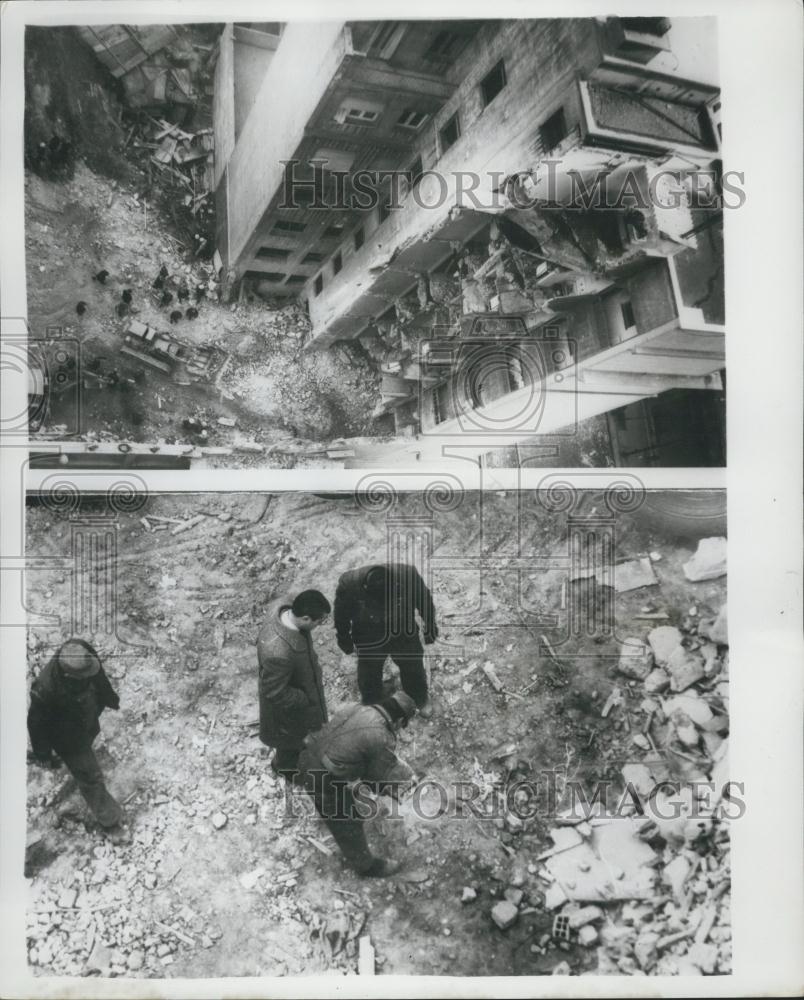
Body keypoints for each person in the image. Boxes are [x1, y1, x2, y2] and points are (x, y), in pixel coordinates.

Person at [297, 692, 417, 877]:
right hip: (322, 779)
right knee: (348, 823)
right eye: (402, 725)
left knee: (339, 801)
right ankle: (365, 866)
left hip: (305, 755)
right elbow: (376, 776)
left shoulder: (355, 707)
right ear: (399, 720)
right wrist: (392, 788)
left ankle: (325, 806)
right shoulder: (381, 736)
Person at [27, 638, 125, 835]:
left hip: (84, 716)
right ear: (68, 675)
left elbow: (97, 674)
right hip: (68, 738)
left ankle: (57, 757)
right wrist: (43, 754)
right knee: (90, 776)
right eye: (83, 676)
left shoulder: (79, 650)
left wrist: (109, 696)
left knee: (90, 737)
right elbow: (36, 724)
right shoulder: (45, 690)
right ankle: (110, 823)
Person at [334, 563, 438, 717]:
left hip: (403, 631)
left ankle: (419, 698)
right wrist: (345, 641)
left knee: (413, 666)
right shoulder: (349, 585)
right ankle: (373, 705)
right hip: (369, 636)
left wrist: (430, 627)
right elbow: (341, 616)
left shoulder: (407, 575)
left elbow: (425, 601)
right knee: (369, 674)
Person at [257, 589, 331, 782]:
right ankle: (284, 770)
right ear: (305, 618)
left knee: (301, 739)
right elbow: (274, 691)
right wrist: (303, 699)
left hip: (302, 689)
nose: (319, 625)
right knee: (290, 744)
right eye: (319, 621)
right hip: (288, 713)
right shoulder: (278, 653)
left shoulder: (288, 610)